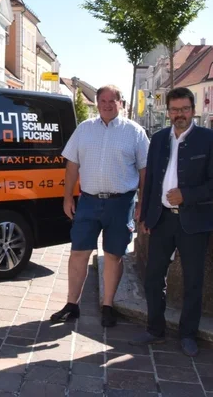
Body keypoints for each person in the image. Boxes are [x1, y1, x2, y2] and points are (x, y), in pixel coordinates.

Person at [130, 87, 213, 356]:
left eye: (184, 109)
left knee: (193, 281)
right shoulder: (159, 139)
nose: (179, 114)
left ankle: (188, 335)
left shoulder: (209, 139)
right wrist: (145, 215)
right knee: (153, 277)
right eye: (174, 110)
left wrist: (187, 195)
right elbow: (150, 182)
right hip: (161, 220)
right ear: (168, 111)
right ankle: (155, 329)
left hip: (194, 222)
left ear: (193, 110)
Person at [51, 85, 149, 327]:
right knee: (78, 254)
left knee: (114, 255)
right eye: (102, 100)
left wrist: (142, 204)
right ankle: (72, 304)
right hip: (88, 201)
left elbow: (145, 172)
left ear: (121, 103)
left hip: (121, 203)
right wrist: (67, 197)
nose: (106, 104)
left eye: (111, 100)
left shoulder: (135, 132)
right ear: (97, 103)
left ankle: (107, 306)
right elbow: (72, 166)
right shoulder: (84, 130)